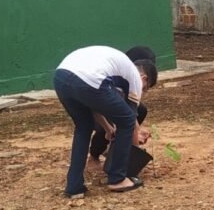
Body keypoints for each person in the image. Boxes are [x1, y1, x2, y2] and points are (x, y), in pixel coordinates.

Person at [53, 46, 158, 196]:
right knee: (127, 120)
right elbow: (131, 122)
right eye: (146, 88)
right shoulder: (135, 77)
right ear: (144, 78)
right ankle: (117, 179)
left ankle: (74, 187)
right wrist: (133, 156)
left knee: (84, 127)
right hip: (87, 79)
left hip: (61, 76)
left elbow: (93, 106)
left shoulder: (114, 73)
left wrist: (108, 129)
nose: (143, 91)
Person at [88, 46, 156, 165]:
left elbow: (131, 111)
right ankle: (95, 155)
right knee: (108, 123)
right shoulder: (116, 77)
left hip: (104, 101)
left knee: (140, 109)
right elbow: (104, 108)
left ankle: (118, 149)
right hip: (92, 104)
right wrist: (109, 128)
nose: (143, 91)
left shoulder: (128, 81)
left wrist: (136, 131)